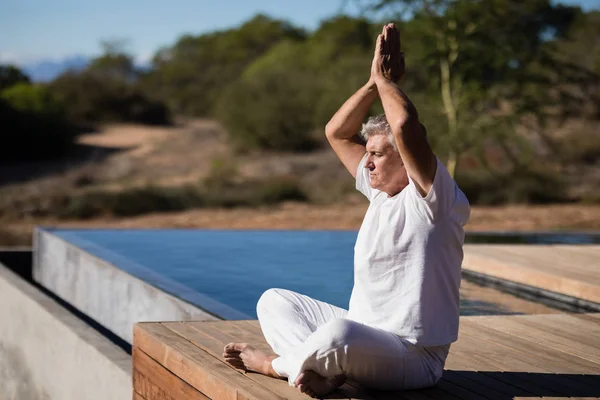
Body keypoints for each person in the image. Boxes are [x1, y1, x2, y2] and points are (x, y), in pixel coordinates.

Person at [223, 23, 471, 397]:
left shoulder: (433, 199)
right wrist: (373, 83)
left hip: (412, 357)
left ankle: (277, 367)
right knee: (274, 301)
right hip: (363, 334)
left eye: (376, 154)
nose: (367, 163)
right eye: (366, 154)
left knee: (339, 335)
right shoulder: (380, 196)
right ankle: (319, 374)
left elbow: (403, 125)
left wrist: (389, 83)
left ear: (405, 159)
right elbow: (336, 132)